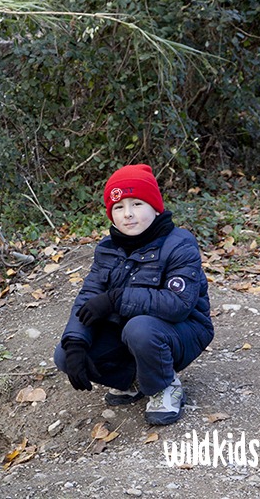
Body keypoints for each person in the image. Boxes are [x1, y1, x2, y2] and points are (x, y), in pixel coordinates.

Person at [53, 164, 214, 425]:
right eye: (119, 207)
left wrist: (116, 299)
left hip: (183, 330)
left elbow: (178, 305)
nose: (128, 214)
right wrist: (75, 343)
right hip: (129, 331)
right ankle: (133, 379)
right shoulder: (107, 248)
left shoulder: (180, 244)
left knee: (140, 328)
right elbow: (87, 297)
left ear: (155, 206)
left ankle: (164, 385)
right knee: (64, 354)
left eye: (137, 203)